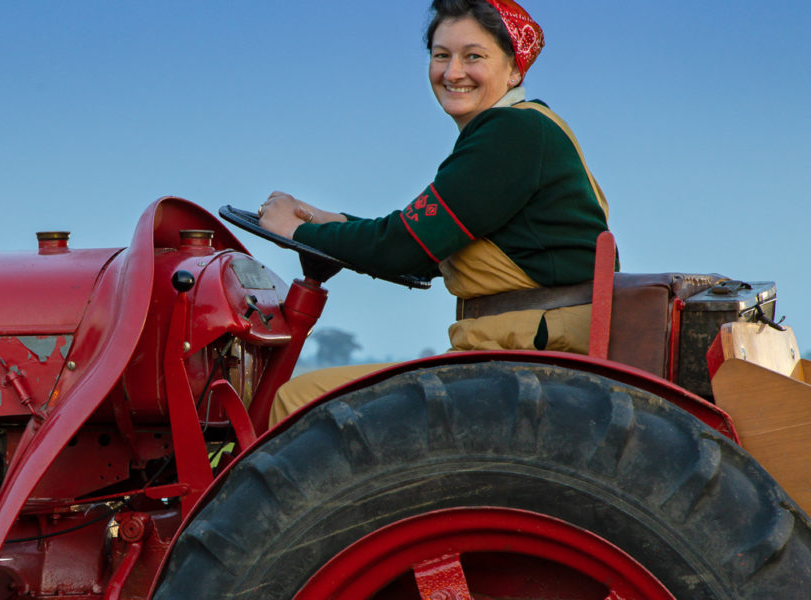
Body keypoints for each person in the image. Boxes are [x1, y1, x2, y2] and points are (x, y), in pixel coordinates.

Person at [259, 0, 611, 425]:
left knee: (297, 401)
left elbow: (404, 245)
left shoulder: (512, 133)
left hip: (519, 361)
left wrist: (297, 233)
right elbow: (422, 236)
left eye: (473, 56)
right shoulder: (525, 129)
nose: (452, 72)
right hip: (519, 356)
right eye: (441, 55)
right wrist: (323, 218)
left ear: (515, 70)